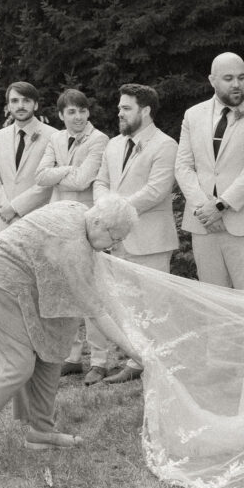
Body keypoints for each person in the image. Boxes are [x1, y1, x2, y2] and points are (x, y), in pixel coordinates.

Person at [0, 196, 141, 479]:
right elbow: (97, 312)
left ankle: (41, 432)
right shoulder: (74, 246)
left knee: (52, 350)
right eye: (113, 237)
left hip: (24, 284)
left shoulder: (79, 210)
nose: (114, 246)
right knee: (17, 365)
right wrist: (137, 354)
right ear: (98, 222)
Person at [90, 84, 179, 385]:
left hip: (151, 237)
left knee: (155, 305)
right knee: (128, 305)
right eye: (119, 108)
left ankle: (160, 362)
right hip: (119, 239)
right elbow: (100, 181)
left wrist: (117, 208)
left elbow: (156, 190)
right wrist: (106, 206)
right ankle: (137, 360)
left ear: (145, 111)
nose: (120, 113)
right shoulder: (114, 145)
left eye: (126, 108)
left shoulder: (165, 145)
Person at [175, 52, 244, 291]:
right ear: (212, 80)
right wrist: (204, 208)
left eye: (241, 78)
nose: (236, 84)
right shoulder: (193, 115)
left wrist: (221, 205)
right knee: (213, 298)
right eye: (228, 78)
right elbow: (183, 166)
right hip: (204, 224)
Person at [35, 89, 110, 376]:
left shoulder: (99, 139)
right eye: (71, 112)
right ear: (61, 115)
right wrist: (69, 169)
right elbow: (40, 177)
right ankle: (72, 355)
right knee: (66, 291)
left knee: (90, 292)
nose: (77, 117)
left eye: (82, 111)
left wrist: (59, 172)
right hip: (58, 222)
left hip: (86, 224)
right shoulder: (55, 138)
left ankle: (100, 360)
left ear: (88, 113)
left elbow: (82, 182)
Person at [0, 81, 57, 232]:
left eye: (26, 100)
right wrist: (6, 209)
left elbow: (49, 182)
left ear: (36, 105)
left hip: (38, 219)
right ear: (8, 106)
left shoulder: (53, 136)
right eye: (15, 101)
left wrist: (15, 208)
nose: (20, 105)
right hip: (4, 221)